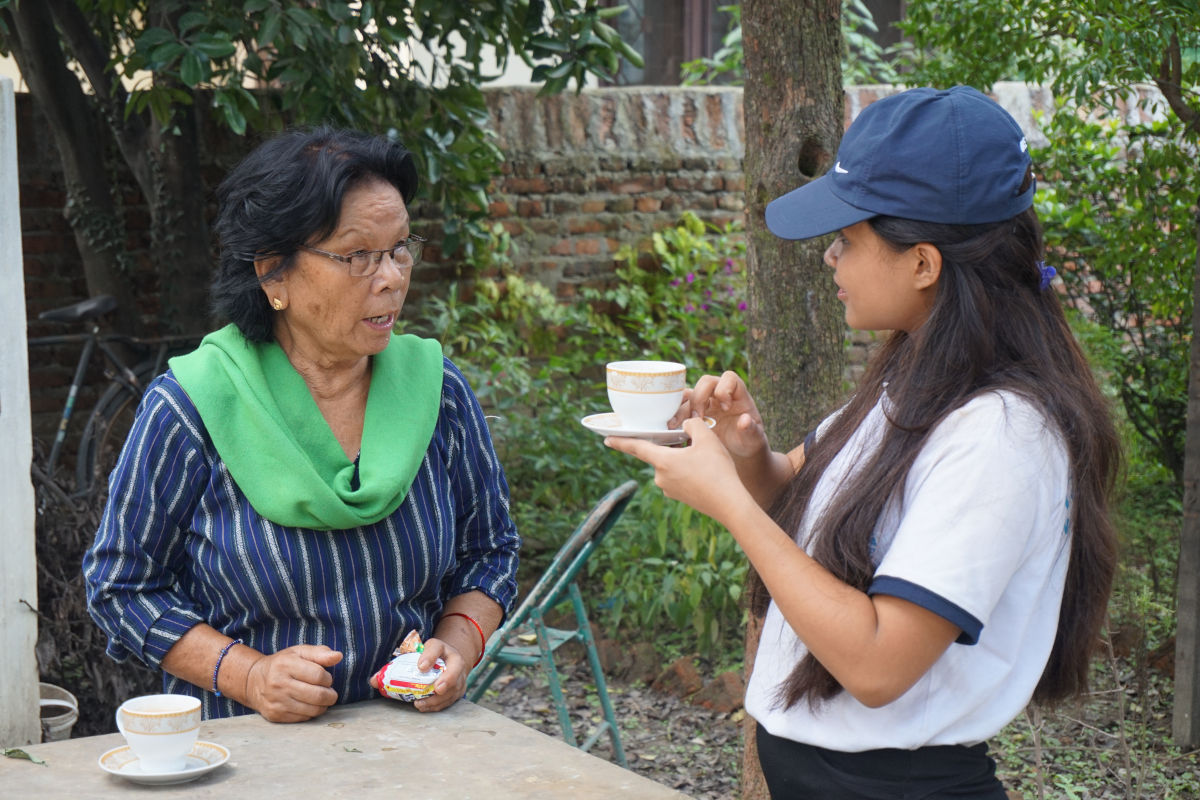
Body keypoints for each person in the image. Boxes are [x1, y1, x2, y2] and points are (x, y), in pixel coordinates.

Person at [605, 86, 1120, 798]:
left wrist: (732, 506)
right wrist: (747, 456)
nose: (830, 259)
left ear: (923, 263)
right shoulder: (917, 375)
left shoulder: (1002, 437)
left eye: (848, 239)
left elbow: (879, 663)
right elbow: (801, 501)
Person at [83, 127, 520, 723]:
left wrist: (460, 646)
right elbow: (121, 586)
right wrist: (249, 675)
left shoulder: (435, 391)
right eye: (357, 255)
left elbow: (489, 550)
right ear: (273, 275)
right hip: (247, 754)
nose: (391, 276)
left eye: (399, 248)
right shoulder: (194, 407)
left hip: (415, 746)